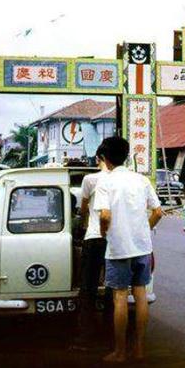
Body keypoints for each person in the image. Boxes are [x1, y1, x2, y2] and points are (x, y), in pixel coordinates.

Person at [94, 137, 163, 363]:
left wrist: (105, 232)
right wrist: (144, 228)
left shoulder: (106, 181)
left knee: (120, 297)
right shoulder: (141, 180)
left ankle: (120, 352)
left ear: (105, 159)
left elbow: (104, 215)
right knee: (140, 294)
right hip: (142, 246)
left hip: (119, 248)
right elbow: (158, 212)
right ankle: (140, 349)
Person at [72, 146, 109, 348]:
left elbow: (83, 210)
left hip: (94, 237)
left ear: (99, 159)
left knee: (88, 289)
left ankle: (85, 336)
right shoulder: (125, 180)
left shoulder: (90, 180)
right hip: (115, 240)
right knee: (113, 289)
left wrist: (82, 223)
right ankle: (110, 333)